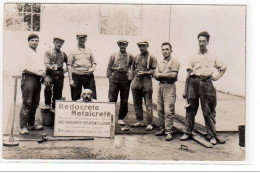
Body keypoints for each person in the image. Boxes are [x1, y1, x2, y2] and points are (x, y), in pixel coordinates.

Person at [180, 31, 227, 145]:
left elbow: (223, 68)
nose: (201, 43)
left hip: (207, 83)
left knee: (208, 111)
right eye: (200, 41)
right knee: (191, 109)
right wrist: (185, 89)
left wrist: (215, 78)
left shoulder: (213, 56)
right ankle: (187, 132)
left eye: (204, 41)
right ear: (198, 42)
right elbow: (188, 74)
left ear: (208, 42)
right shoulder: (193, 56)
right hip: (193, 82)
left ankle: (211, 135)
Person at [19, 33, 46, 135]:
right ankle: (23, 127)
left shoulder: (37, 53)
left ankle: (31, 124)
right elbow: (23, 67)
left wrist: (42, 74)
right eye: (32, 40)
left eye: (36, 40)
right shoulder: (25, 52)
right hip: (28, 78)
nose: (34, 42)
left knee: (35, 102)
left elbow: (40, 66)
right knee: (27, 102)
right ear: (28, 41)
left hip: (37, 79)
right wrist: (37, 72)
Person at [154, 42, 180, 141]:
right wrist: (165, 74)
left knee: (168, 110)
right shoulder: (160, 63)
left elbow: (174, 76)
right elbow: (155, 75)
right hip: (161, 86)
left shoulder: (175, 62)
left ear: (171, 50)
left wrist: (161, 74)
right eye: (163, 49)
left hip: (170, 86)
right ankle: (162, 129)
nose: (165, 51)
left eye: (167, 49)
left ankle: (169, 132)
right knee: (160, 109)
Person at [131, 40, 158, 131]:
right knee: (137, 103)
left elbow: (155, 70)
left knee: (148, 104)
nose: (141, 48)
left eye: (143, 46)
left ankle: (149, 123)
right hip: (136, 83)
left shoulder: (152, 57)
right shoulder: (136, 57)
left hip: (146, 83)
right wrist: (132, 81)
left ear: (147, 46)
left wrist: (145, 72)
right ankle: (140, 120)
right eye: (140, 46)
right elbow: (133, 69)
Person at [107, 40, 134, 125]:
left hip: (125, 79)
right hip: (115, 78)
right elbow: (109, 68)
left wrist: (130, 77)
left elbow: (133, 68)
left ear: (127, 45)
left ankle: (121, 118)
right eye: (121, 44)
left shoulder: (130, 56)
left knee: (124, 99)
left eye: (124, 44)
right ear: (118, 45)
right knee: (112, 99)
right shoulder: (113, 55)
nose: (122, 46)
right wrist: (110, 78)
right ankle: (109, 118)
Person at [68, 34, 97, 101]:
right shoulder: (72, 51)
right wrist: (70, 79)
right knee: (75, 97)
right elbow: (69, 65)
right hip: (76, 76)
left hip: (88, 76)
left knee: (93, 96)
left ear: (86, 39)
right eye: (80, 38)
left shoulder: (89, 50)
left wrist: (92, 69)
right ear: (77, 38)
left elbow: (94, 62)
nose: (82, 40)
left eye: (83, 38)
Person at [42, 37, 68, 109]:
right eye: (57, 42)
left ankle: (55, 106)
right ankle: (47, 103)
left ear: (62, 44)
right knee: (47, 83)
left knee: (58, 91)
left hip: (59, 74)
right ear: (54, 42)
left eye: (60, 43)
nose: (58, 44)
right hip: (50, 73)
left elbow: (69, 64)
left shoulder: (63, 54)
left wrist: (65, 70)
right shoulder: (48, 52)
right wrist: (51, 67)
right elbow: (46, 63)